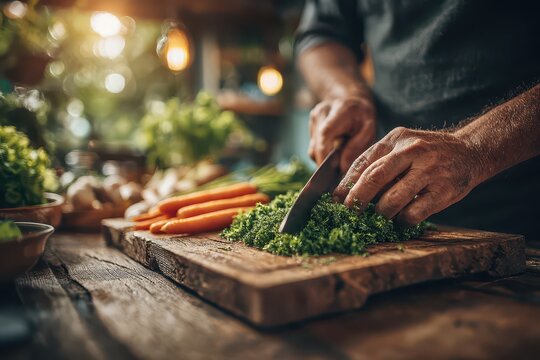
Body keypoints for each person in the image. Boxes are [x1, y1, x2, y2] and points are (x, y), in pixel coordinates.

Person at [295, 0, 540, 239]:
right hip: (395, 217)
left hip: (523, 217)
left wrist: (475, 148)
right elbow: (323, 34)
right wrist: (347, 93)